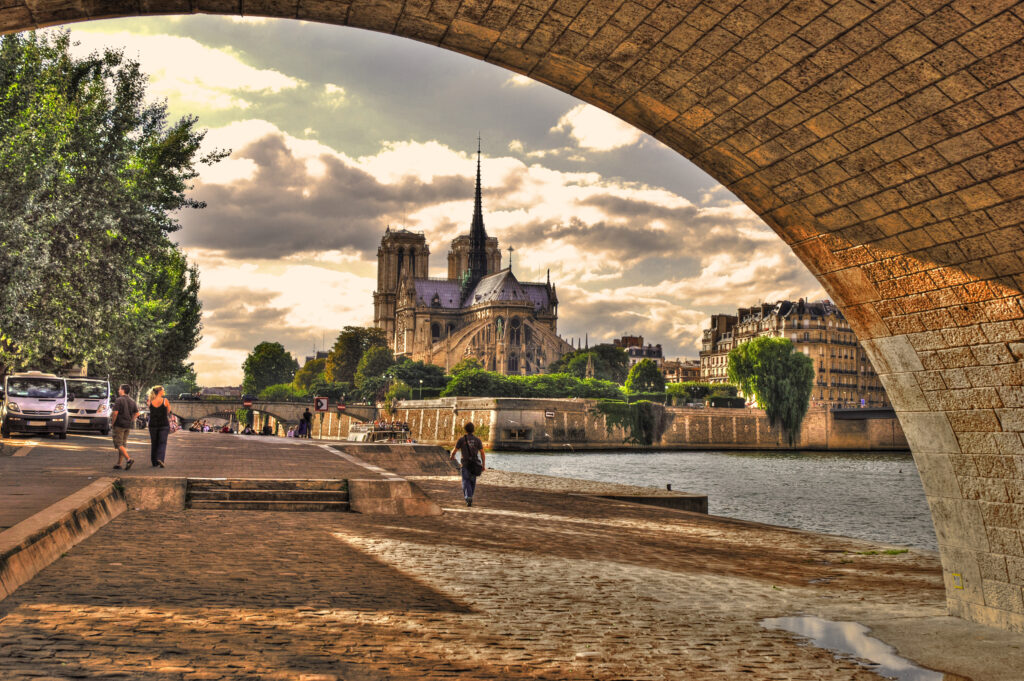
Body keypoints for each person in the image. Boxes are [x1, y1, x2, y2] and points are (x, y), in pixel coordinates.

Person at [449, 422, 486, 507]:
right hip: (475, 464)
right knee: (472, 481)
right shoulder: (477, 440)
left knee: (465, 481)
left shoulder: (461, 439)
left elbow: (455, 450)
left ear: (465, 430)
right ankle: (470, 496)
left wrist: (452, 456)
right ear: (473, 430)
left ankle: (468, 497)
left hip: (465, 464)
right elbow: (482, 453)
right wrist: (483, 465)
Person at [110, 384, 138, 470]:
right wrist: (131, 420)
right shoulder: (132, 401)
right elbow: (137, 413)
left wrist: (112, 423)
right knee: (122, 445)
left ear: (122, 390)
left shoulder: (119, 400)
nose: (118, 391)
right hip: (127, 425)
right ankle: (119, 463)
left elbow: (115, 413)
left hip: (119, 425)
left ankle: (128, 459)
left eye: (119, 389)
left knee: (118, 444)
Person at [146, 385, 172, 468]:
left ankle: (154, 462)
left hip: (153, 425)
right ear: (160, 391)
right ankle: (160, 458)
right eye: (163, 390)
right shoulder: (165, 401)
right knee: (162, 443)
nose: (164, 391)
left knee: (154, 443)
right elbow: (168, 411)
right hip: (164, 424)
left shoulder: (150, 401)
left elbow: (150, 409)